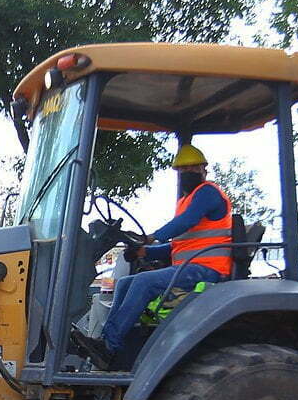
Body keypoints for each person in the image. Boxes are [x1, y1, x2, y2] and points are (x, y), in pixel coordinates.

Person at [96, 142, 234, 366]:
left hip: (208, 269)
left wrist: (151, 237)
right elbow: (178, 246)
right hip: (188, 266)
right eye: (183, 170)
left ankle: (110, 344)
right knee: (124, 284)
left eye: (193, 169)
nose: (188, 173)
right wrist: (144, 252)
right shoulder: (185, 201)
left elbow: (184, 223)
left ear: (203, 169)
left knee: (143, 282)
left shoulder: (208, 193)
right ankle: (107, 345)